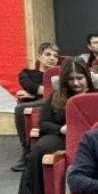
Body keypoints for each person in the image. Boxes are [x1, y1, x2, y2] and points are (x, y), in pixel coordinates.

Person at [20, 59, 92, 194]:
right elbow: (43, 124)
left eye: (79, 78)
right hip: (63, 136)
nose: (76, 83)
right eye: (71, 79)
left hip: (92, 137)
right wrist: (60, 129)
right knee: (39, 152)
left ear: (87, 77)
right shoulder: (57, 96)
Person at [12, 41, 61, 171]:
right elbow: (30, 86)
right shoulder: (27, 74)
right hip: (38, 105)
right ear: (39, 57)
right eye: (48, 54)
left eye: (55, 56)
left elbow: (61, 91)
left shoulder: (61, 74)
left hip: (56, 103)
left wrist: (34, 93)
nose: (52, 58)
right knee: (20, 109)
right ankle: (26, 152)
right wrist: (40, 91)